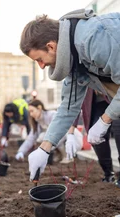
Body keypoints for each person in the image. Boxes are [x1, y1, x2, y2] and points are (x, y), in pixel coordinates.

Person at [19, 9, 120, 182]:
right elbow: (68, 107)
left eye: (39, 59)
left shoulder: (93, 39)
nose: (41, 66)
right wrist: (44, 148)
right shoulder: (74, 59)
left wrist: (105, 119)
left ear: (51, 46)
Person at [66, 89, 120, 183]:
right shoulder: (75, 78)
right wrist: (70, 134)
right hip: (96, 104)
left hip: (116, 98)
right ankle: (109, 174)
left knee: (118, 129)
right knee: (95, 137)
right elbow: (74, 103)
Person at [15, 100, 83, 163]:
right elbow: (31, 138)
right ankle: (60, 155)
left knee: (48, 137)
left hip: (74, 139)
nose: (31, 114)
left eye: (32, 111)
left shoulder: (52, 115)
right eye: (29, 112)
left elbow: (59, 134)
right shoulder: (38, 122)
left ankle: (68, 156)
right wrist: (21, 152)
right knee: (44, 138)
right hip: (62, 141)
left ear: (39, 108)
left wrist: (45, 148)